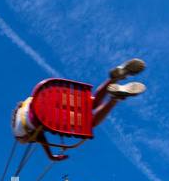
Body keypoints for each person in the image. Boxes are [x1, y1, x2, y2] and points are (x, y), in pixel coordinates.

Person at [12, 59, 146, 161]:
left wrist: (50, 155)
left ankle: (115, 98)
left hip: (44, 115)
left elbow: (38, 136)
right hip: (46, 95)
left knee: (90, 122)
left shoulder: (19, 135)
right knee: (90, 103)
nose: (29, 141)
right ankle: (114, 78)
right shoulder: (25, 105)